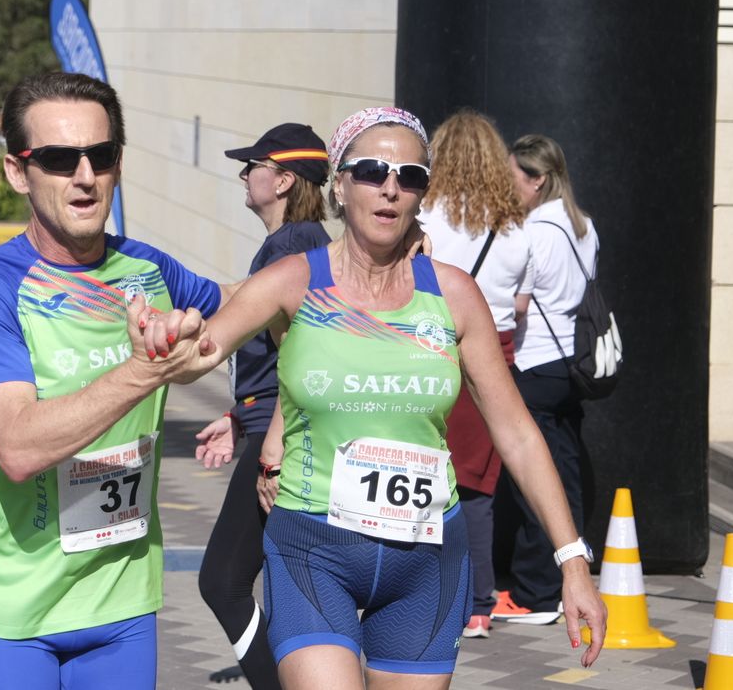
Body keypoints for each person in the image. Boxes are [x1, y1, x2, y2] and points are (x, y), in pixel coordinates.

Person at [142, 107, 606, 688]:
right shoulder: (295, 279)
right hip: (315, 546)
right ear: (339, 183)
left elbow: (516, 432)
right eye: (371, 171)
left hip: (426, 558)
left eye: (409, 176)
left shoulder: (455, 296)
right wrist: (167, 339)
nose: (390, 187)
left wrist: (572, 561)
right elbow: (202, 353)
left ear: (420, 195)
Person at [0, 72, 234, 689]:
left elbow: (254, 307)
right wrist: (143, 370)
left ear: (117, 165)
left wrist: (250, 400)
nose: (84, 175)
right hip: (13, 608)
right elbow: (19, 448)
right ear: (17, 172)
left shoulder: (151, 269)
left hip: (122, 602)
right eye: (57, 158)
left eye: (99, 156)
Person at [193, 123, 331, 689]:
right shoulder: (307, 242)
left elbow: (299, 351)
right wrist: (236, 415)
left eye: (252, 166)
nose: (243, 175)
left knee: (222, 581)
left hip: (287, 437)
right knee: (298, 584)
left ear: (283, 179)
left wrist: (267, 438)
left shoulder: (288, 246)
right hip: (282, 425)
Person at [415, 110, 531, 640]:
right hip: (497, 355)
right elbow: (520, 305)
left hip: (431, 348)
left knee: (424, 475)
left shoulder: (427, 218)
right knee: (479, 488)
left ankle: (427, 590)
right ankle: (480, 602)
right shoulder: (515, 229)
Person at [492, 133, 602, 624]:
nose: (507, 187)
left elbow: (518, 303)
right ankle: (565, 578)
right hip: (573, 367)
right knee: (567, 475)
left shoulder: (532, 231)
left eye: (513, 178)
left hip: (536, 362)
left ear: (536, 181)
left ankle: (534, 593)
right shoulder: (585, 228)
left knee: (533, 482)